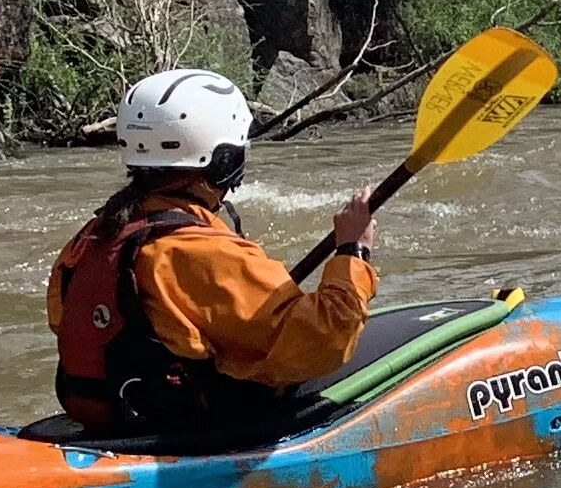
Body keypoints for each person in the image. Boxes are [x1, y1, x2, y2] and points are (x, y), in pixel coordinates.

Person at [48, 67, 377, 444]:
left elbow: (66, 323)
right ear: (223, 163)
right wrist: (354, 250)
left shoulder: (95, 234)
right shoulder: (202, 252)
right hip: (177, 428)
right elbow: (326, 338)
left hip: (108, 415)